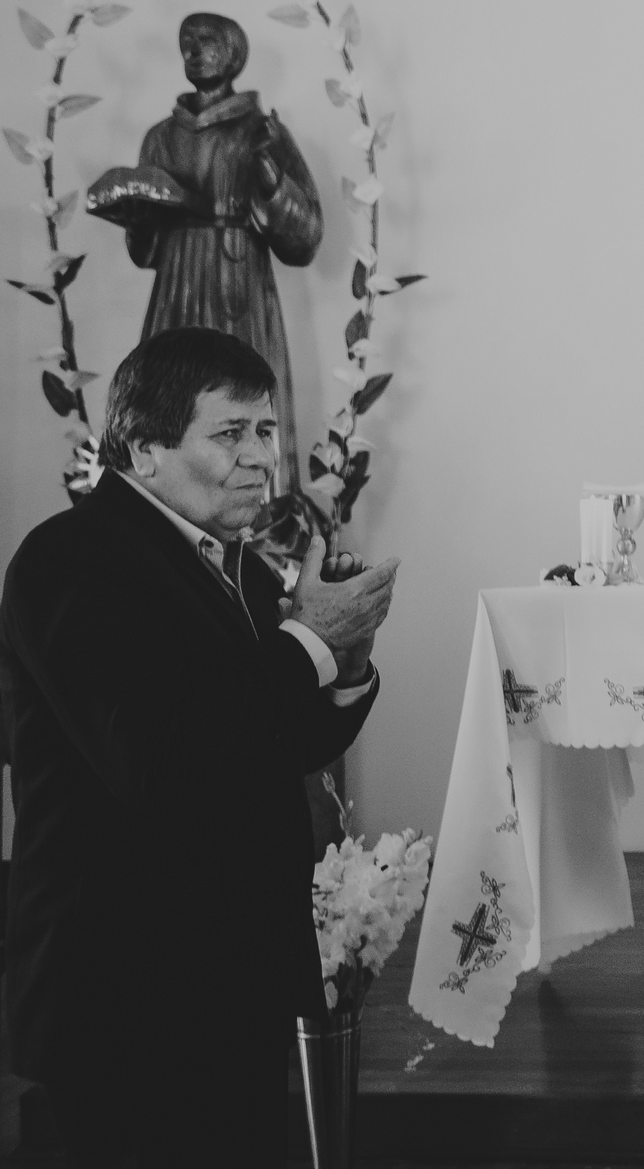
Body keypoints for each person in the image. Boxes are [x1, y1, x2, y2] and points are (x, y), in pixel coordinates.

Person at [0, 327, 397, 1165]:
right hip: (121, 998)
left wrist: (345, 664)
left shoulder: (241, 568)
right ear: (143, 449)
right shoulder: (70, 559)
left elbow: (267, 742)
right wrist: (306, 644)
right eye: (230, 433)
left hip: (229, 983)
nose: (261, 458)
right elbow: (157, 761)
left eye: (266, 432)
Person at [94, 12, 324, 495]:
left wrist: (266, 169)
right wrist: (138, 220)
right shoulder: (160, 137)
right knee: (168, 393)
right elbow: (145, 251)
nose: (193, 52)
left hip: (239, 282)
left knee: (245, 393)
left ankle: (262, 509)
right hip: (177, 284)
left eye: (206, 41)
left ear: (234, 52)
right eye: (185, 43)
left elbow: (304, 238)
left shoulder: (263, 131)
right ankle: (164, 497)